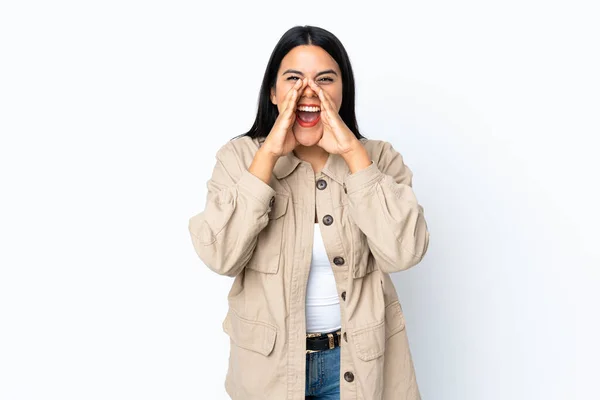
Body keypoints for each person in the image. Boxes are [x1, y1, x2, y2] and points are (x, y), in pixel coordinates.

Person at [188, 25, 430, 400]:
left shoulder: (378, 158)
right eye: (293, 78)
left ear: (342, 89)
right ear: (273, 91)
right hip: (267, 373)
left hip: (359, 368)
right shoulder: (237, 159)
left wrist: (354, 157)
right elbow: (221, 256)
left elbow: (404, 252)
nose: (308, 91)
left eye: (325, 79)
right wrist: (268, 156)